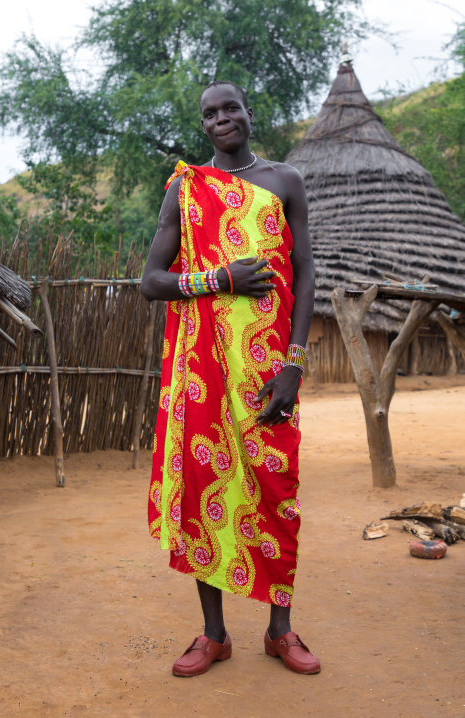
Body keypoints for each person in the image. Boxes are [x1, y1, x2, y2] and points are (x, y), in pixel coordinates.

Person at [141, 80, 318, 677]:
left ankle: (280, 629)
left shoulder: (285, 180)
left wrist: (293, 364)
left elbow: (306, 271)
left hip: (269, 371)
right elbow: (152, 280)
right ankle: (214, 634)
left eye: (231, 109)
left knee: (277, 488)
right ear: (203, 125)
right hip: (203, 374)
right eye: (210, 114)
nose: (222, 120)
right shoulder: (185, 189)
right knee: (203, 488)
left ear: (248, 113)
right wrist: (219, 279)